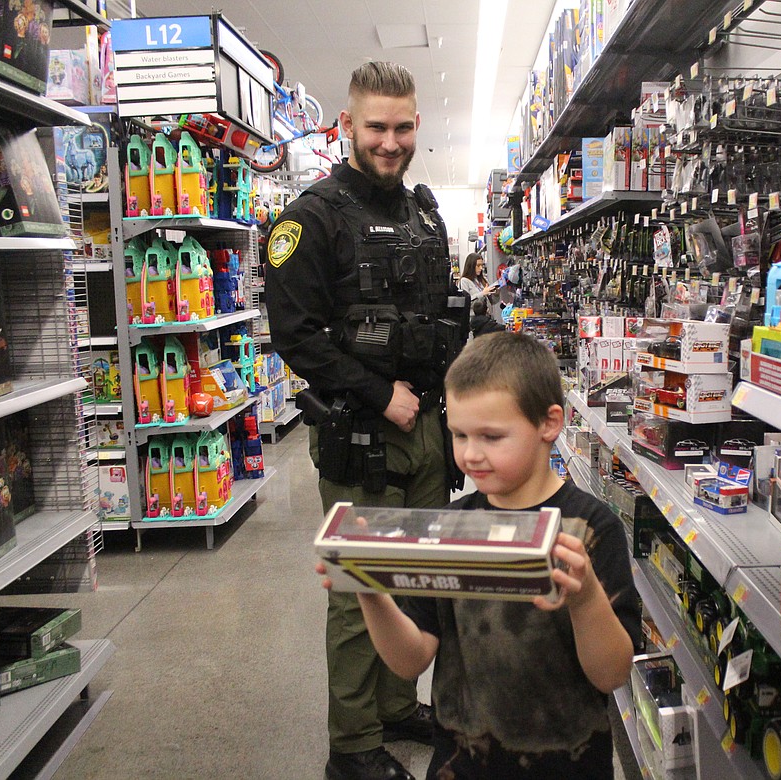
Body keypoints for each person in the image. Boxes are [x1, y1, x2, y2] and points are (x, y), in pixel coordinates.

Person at [265, 60, 468, 780]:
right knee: (361, 594)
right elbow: (296, 333)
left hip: (428, 434)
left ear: (418, 125)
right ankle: (351, 747)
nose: (390, 141)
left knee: (414, 583)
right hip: (361, 436)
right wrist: (379, 395)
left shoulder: (423, 212)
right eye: (376, 127)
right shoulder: (310, 218)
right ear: (347, 125)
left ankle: (392, 707)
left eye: (403, 126)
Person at [323, 331, 641, 779]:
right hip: (461, 763)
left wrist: (586, 598)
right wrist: (370, 591)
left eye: (492, 437)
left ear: (550, 424)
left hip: (567, 764)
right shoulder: (449, 527)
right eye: (458, 434)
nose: (470, 454)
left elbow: (611, 674)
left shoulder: (590, 529)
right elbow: (412, 659)